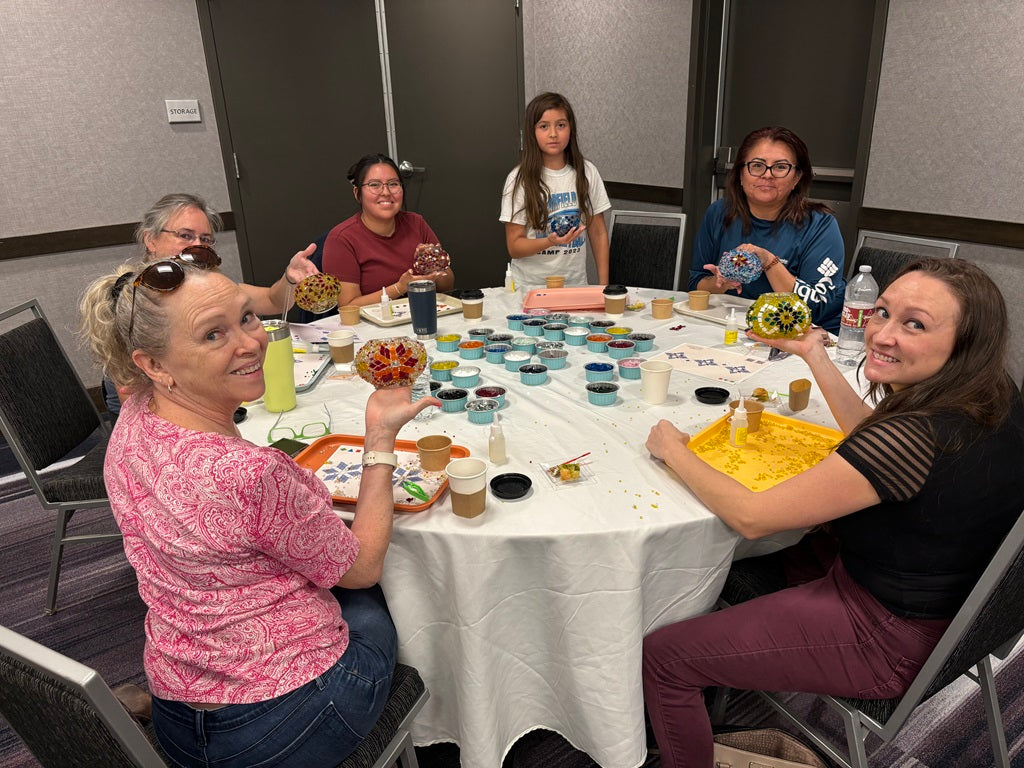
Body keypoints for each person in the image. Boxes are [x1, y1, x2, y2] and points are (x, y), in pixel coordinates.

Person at [643, 258, 1024, 768]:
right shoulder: (993, 393)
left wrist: (674, 450)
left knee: (663, 659)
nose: (882, 335)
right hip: (954, 613)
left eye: (915, 324)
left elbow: (754, 518)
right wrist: (812, 355)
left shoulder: (911, 435)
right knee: (779, 550)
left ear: (965, 343)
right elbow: (880, 443)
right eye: (882, 312)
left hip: (886, 634)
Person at [80, 248, 437, 768]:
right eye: (213, 334)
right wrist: (379, 434)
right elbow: (360, 568)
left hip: (181, 703)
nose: (252, 343)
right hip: (272, 726)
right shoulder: (252, 473)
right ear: (154, 364)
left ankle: (148, 708)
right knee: (380, 599)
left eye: (246, 317)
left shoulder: (133, 413)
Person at [102, 193, 319, 414]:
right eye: (185, 235)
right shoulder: (135, 306)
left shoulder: (210, 291)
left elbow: (273, 300)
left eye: (205, 239)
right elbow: (135, 405)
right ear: (151, 240)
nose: (197, 246)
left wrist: (290, 278)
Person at [688, 126, 846, 333]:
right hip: (734, 326)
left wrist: (768, 261)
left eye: (780, 167)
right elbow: (695, 285)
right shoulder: (719, 213)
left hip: (803, 335)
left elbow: (816, 307)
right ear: (741, 174)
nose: (767, 175)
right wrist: (721, 283)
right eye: (757, 165)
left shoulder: (820, 225)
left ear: (797, 177)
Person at [499, 91, 611, 289]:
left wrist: (603, 287)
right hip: (530, 287)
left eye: (561, 125)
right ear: (532, 132)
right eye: (544, 126)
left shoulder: (587, 172)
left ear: (571, 129)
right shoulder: (519, 179)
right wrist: (549, 241)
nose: (553, 134)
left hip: (575, 285)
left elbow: (599, 232)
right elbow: (514, 246)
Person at [321, 153, 455, 307]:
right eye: (374, 185)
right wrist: (399, 288)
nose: (386, 192)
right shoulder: (341, 239)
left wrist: (432, 264)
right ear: (357, 194)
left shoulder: (416, 223)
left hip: (421, 315)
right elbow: (348, 307)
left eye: (393, 184)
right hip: (372, 328)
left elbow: (448, 285)